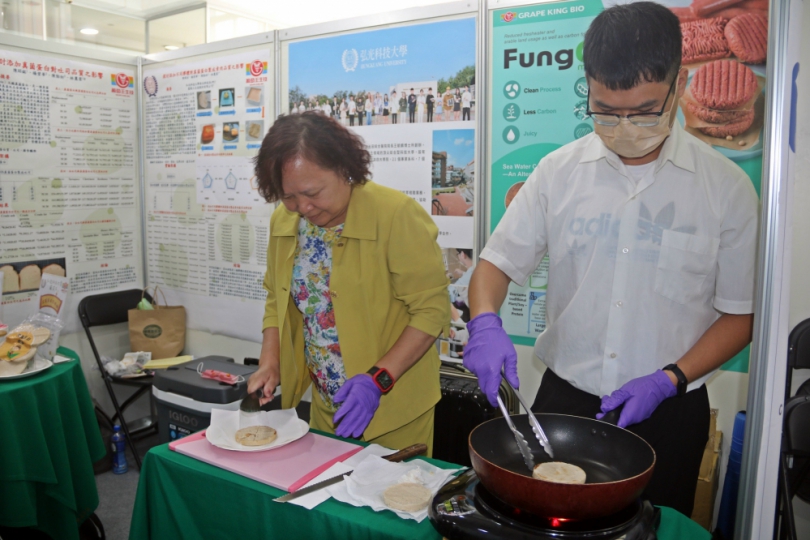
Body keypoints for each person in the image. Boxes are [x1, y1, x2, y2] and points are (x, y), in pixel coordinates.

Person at [463, 1, 757, 517]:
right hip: (564, 403)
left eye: (643, 111)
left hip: (669, 405)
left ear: (679, 85)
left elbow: (740, 314)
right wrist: (485, 322)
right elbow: (497, 263)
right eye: (605, 110)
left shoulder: (725, 189)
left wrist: (670, 378)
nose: (623, 127)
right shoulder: (558, 172)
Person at [249, 111, 450, 454]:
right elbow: (275, 296)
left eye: (312, 192)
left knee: (393, 489)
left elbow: (432, 312)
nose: (303, 207)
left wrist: (378, 379)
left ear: (344, 169)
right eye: (288, 196)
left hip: (394, 408)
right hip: (326, 405)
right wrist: (270, 361)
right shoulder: (286, 221)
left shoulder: (395, 215)